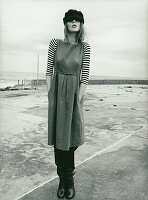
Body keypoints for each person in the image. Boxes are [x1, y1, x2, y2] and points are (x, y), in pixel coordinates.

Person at [46, 9, 91, 199]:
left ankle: (69, 180)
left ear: (81, 24)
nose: (73, 22)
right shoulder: (55, 43)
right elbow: (49, 71)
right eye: (70, 20)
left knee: (71, 139)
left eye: (77, 20)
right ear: (65, 23)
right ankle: (62, 180)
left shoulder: (85, 47)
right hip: (57, 94)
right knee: (58, 140)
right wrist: (50, 94)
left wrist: (79, 99)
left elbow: (85, 76)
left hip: (74, 94)